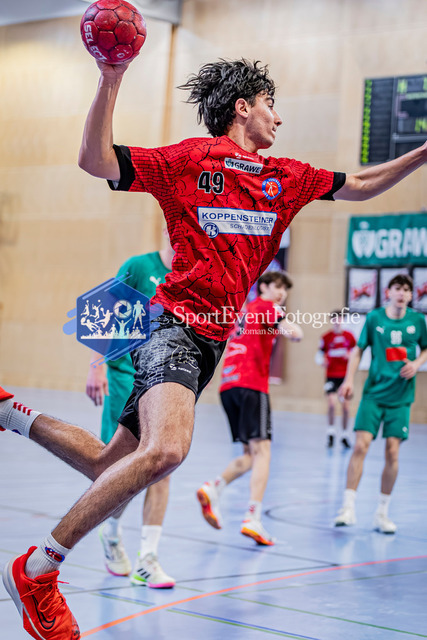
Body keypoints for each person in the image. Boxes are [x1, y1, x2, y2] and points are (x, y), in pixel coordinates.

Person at [2, 57, 427, 640]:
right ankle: (39, 569)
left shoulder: (287, 177)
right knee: (168, 450)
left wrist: (422, 152)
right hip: (172, 326)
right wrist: (111, 76)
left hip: (208, 347)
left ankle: (9, 411)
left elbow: (360, 184)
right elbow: (95, 161)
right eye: (272, 104)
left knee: (108, 466)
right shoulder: (188, 160)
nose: (280, 117)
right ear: (242, 107)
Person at [85, 239, 175, 588]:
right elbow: (104, 310)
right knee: (122, 468)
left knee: (166, 462)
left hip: (166, 380)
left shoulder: (193, 276)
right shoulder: (140, 267)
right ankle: (110, 531)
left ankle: (148, 558)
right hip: (125, 375)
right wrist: (96, 365)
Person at [197, 271, 303, 545]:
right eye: (277, 286)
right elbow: (294, 332)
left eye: (285, 289)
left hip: (229, 386)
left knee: (249, 454)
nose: (281, 293)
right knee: (263, 452)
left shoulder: (242, 313)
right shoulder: (268, 307)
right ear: (263, 287)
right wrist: (294, 331)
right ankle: (253, 518)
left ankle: (214, 488)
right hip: (252, 385)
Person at [334, 275, 427, 533]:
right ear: (388, 292)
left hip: (401, 397)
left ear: (411, 295)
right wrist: (348, 380)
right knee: (360, 446)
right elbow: (358, 350)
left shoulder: (417, 321)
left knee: (392, 452)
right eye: (398, 288)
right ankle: (347, 507)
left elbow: (426, 348)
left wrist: (417, 364)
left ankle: (382, 514)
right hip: (373, 394)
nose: (402, 293)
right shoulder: (375, 318)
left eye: (407, 290)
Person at [317, 310, 356, 448]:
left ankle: (345, 435)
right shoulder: (326, 337)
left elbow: (357, 353)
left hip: (345, 377)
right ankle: (331, 433)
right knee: (332, 404)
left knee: (345, 407)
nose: (337, 321)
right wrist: (322, 361)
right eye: (335, 319)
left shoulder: (349, 336)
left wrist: (350, 356)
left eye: (340, 319)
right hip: (331, 376)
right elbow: (319, 355)